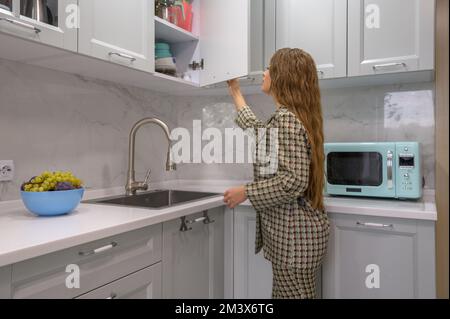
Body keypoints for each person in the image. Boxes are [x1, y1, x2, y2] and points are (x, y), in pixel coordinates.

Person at [223, 48, 330, 299]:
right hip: (298, 239)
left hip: (295, 241)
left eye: (269, 68)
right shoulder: (291, 117)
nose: (264, 72)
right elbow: (257, 133)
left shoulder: (286, 120)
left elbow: (294, 180)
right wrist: (235, 91)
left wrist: (245, 192)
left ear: (283, 76)